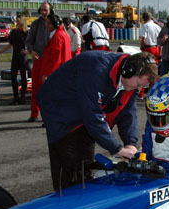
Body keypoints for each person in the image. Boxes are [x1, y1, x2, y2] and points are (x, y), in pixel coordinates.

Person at [37, 51, 157, 191]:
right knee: (69, 164)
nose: (139, 89)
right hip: (58, 108)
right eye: (138, 84)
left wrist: (130, 143)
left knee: (85, 162)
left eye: (142, 87)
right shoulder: (96, 70)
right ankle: (65, 200)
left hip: (82, 108)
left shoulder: (129, 83)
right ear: (128, 71)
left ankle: (84, 196)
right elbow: (93, 115)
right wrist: (116, 148)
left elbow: (128, 114)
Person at [24, 2, 53, 121]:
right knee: (36, 87)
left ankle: (49, 117)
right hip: (39, 59)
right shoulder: (36, 24)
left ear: (50, 10)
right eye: (42, 10)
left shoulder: (55, 23)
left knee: (50, 89)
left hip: (51, 61)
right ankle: (34, 114)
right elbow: (28, 40)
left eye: (45, 10)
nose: (43, 12)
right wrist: (31, 51)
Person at [0, 16, 29, 104]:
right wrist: (1, 51)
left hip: (23, 57)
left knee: (23, 77)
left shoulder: (26, 32)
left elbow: (31, 43)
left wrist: (28, 51)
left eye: (19, 21)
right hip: (15, 56)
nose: (17, 23)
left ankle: (22, 97)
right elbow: (10, 44)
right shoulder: (14, 32)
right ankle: (15, 97)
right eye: (17, 21)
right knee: (13, 77)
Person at [40, 12, 72, 82]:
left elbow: (56, 58)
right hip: (63, 72)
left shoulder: (57, 37)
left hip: (57, 74)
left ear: (55, 24)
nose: (46, 25)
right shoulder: (63, 34)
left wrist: (48, 74)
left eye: (49, 23)